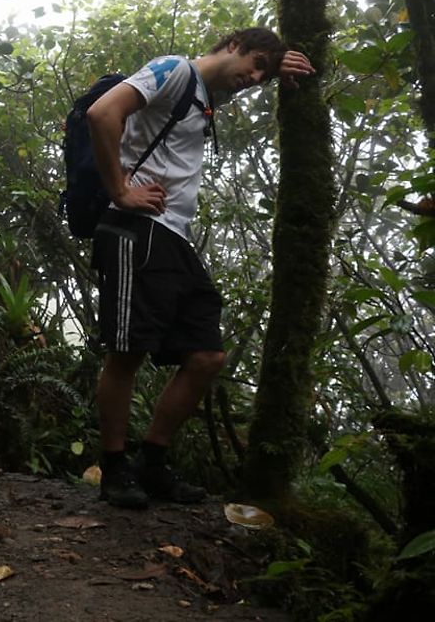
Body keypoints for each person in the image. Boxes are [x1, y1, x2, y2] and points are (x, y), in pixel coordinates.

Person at [86, 28, 315, 508]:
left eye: (262, 75)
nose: (253, 78)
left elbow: (247, 74)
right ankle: (114, 469)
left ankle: (152, 463)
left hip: (174, 238)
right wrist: (119, 190)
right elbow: (102, 112)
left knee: (207, 355)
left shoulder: (207, 97)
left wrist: (279, 69)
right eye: (253, 64)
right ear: (232, 45)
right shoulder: (174, 70)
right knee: (127, 353)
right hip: (135, 227)